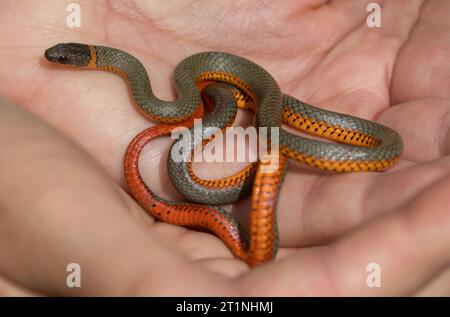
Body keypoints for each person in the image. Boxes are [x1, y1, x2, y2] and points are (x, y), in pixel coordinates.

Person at [0, 0, 449, 296]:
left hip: (274, 115)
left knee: (270, 116)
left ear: (87, 58)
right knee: (201, 163)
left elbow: (181, 111)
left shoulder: (214, 90)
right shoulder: (180, 83)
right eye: (62, 58)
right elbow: (168, 109)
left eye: (62, 58)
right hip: (219, 121)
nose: (57, 60)